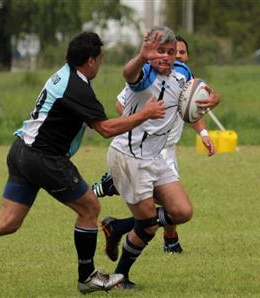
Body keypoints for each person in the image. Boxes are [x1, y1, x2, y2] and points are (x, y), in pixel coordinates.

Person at [0, 32, 165, 294]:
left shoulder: (64, 74)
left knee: (7, 221)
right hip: (44, 157)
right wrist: (145, 114)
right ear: (89, 61)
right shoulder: (77, 86)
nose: (100, 63)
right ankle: (87, 277)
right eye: (99, 59)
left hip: (21, 151)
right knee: (89, 207)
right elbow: (106, 129)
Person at [105, 26, 219, 289]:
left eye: (170, 52)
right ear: (150, 53)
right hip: (129, 156)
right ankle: (121, 277)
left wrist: (214, 100)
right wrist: (141, 57)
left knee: (182, 211)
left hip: (157, 156)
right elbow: (128, 73)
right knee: (147, 225)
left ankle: (117, 227)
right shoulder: (143, 74)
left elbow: (199, 100)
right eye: (160, 52)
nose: (166, 57)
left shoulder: (182, 73)